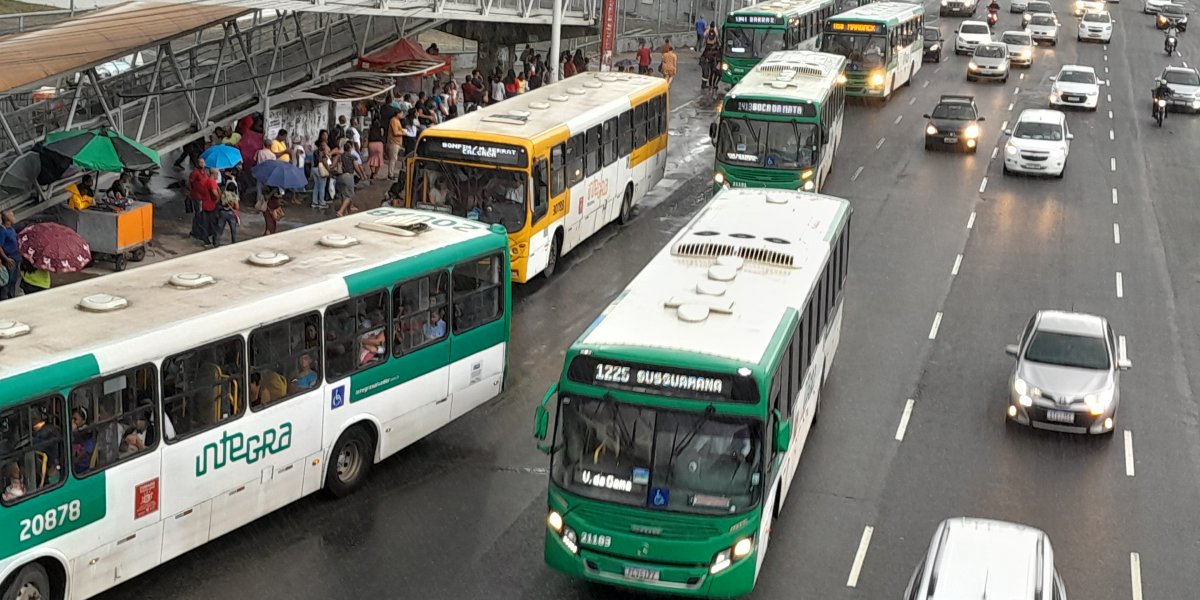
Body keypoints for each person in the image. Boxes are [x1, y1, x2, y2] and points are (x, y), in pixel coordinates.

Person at [334, 142, 364, 217]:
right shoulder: (352, 157)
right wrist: (361, 175)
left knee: (342, 194)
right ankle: (340, 211)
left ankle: (345, 211)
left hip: (339, 176)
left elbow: (333, 165)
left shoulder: (339, 156)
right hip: (348, 176)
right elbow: (356, 167)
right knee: (348, 195)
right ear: (350, 148)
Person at [186, 162, 209, 240]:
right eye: (201, 163)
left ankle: (198, 231)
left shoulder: (204, 172)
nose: (203, 164)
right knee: (198, 214)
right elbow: (189, 183)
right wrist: (192, 191)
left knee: (200, 214)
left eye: (203, 162)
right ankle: (196, 231)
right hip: (197, 196)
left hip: (203, 196)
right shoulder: (195, 173)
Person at [70, 407, 96, 475]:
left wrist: (73, 432)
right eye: (71, 419)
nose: (72, 421)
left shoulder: (87, 433)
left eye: (75, 419)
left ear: (83, 421)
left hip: (82, 470)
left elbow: (76, 459)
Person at [0, 210, 18, 301]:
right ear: (8, 219)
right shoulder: (3, 231)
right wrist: (6, 258)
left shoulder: (12, 229)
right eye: (12, 216)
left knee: (14, 280)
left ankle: (12, 297)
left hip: (16, 258)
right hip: (10, 259)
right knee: (8, 281)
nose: (15, 218)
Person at [201, 168, 222, 248]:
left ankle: (206, 240)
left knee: (206, 224)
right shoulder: (212, 182)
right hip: (211, 206)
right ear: (214, 174)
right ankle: (215, 242)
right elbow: (215, 192)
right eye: (217, 174)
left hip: (205, 204)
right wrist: (218, 198)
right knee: (214, 224)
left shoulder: (206, 181)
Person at [214, 181, 240, 246]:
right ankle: (234, 242)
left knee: (220, 228)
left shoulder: (223, 194)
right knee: (233, 229)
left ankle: (216, 242)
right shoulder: (234, 196)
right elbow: (237, 207)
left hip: (222, 212)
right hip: (231, 213)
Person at [386, 109, 405, 180]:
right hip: (393, 142)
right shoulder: (393, 120)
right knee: (393, 159)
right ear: (398, 114)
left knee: (394, 159)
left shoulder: (397, 121)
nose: (402, 115)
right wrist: (403, 133)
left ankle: (392, 173)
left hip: (397, 142)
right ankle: (390, 175)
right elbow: (395, 132)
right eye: (401, 114)